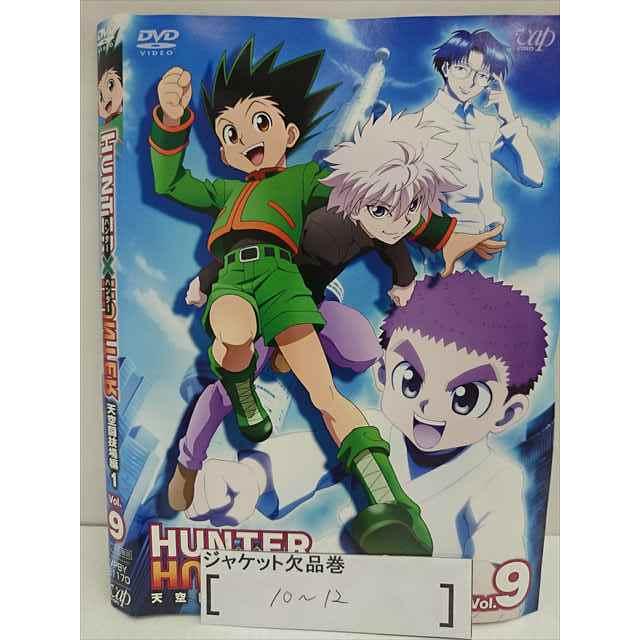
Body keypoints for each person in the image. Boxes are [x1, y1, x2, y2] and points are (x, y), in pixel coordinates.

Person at [150, 38, 433, 555]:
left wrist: (419, 204)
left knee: (325, 395)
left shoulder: (303, 181)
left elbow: (362, 187)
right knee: (229, 343)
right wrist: (171, 120)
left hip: (286, 288)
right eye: (230, 132)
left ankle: (389, 501)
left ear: (290, 133)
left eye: (260, 122)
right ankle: (195, 455)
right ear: (223, 147)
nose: (246, 140)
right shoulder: (224, 193)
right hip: (237, 285)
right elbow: (170, 184)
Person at [187, 273, 547, 621]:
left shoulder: (496, 478)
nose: (428, 406)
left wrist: (473, 586)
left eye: (465, 396)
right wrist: (250, 476)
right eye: (411, 380)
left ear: (507, 413)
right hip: (333, 587)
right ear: (383, 374)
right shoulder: (371, 430)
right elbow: (310, 455)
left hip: (424, 606)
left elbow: (499, 569)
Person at [421, 29, 544, 273]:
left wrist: (508, 118)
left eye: (482, 76)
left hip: (490, 239)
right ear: (446, 68)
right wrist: (437, 238)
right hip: (447, 239)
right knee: (442, 298)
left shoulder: (487, 126)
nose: (470, 82)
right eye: (462, 69)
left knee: (487, 299)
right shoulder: (420, 124)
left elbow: (534, 177)